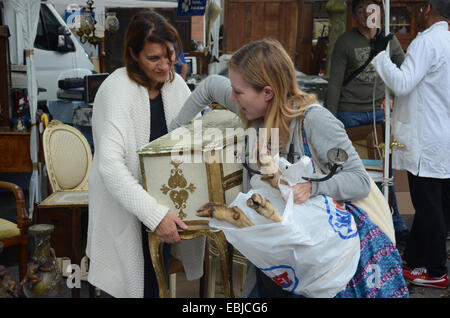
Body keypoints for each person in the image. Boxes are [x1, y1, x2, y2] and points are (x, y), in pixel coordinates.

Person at [169, 38, 408, 298]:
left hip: (319, 262)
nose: (233, 99)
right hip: (275, 264)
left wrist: (314, 187)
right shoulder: (252, 108)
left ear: (268, 93)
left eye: (238, 92)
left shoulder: (316, 120)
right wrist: (171, 135)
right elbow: (211, 87)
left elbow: (359, 180)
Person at [86, 10, 193, 298]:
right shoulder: (117, 90)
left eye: (169, 55)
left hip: (163, 209)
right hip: (128, 209)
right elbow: (110, 166)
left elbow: (193, 139)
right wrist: (154, 215)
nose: (164, 65)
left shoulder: (176, 86)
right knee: (132, 287)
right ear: (133, 54)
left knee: (155, 287)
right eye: (153, 58)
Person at [372, 0, 450, 289]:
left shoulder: (426, 42)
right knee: (433, 205)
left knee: (428, 207)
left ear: (427, 8)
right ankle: (414, 257)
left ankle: (436, 271)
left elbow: (403, 83)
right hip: (441, 135)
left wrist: (380, 56)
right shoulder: (446, 40)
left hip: (425, 138)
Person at [326, 0, 409, 249]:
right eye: (361, 11)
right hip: (350, 113)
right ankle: (358, 219)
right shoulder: (345, 42)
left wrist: (393, 100)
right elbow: (334, 83)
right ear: (354, 16)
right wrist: (330, 120)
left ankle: (396, 222)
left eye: (371, 10)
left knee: (388, 170)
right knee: (355, 171)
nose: (366, 15)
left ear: (380, 12)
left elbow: (405, 72)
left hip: (378, 114)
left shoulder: (389, 39)